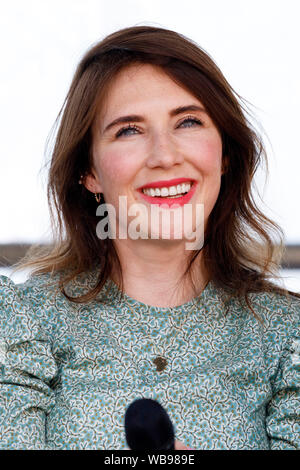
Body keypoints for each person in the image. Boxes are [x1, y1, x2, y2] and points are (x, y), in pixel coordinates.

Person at [0, 25, 299, 450]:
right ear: (88, 172)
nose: (165, 155)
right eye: (129, 130)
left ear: (226, 153)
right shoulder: (19, 326)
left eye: (189, 121)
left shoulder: (289, 337)